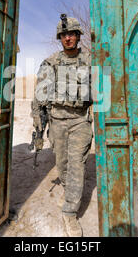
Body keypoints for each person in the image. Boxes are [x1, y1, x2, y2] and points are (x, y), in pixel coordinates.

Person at [31, 14, 93, 237]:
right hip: (57, 121)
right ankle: (71, 190)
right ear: (60, 38)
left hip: (79, 121)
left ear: (78, 36)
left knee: (76, 165)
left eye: (72, 34)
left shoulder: (89, 62)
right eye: (64, 35)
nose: (68, 38)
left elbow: (101, 94)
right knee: (63, 163)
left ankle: (69, 212)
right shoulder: (50, 63)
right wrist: (38, 123)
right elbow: (39, 97)